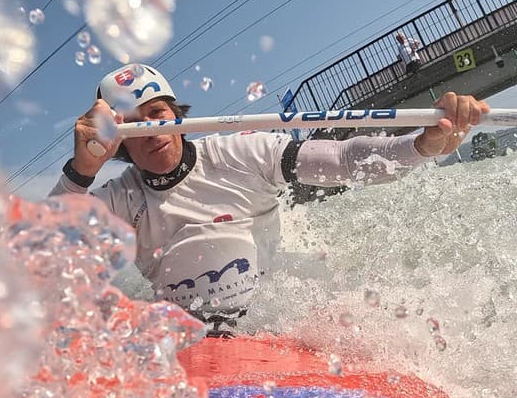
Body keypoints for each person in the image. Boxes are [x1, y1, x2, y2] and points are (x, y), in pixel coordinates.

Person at [50, 64, 489, 331]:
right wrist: (81, 171)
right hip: (187, 337)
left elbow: (341, 158)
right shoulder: (118, 199)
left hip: (276, 316)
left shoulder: (240, 150)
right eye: (132, 124)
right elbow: (36, 261)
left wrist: (420, 145)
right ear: (119, 141)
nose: (151, 130)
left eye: (157, 114)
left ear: (175, 113)